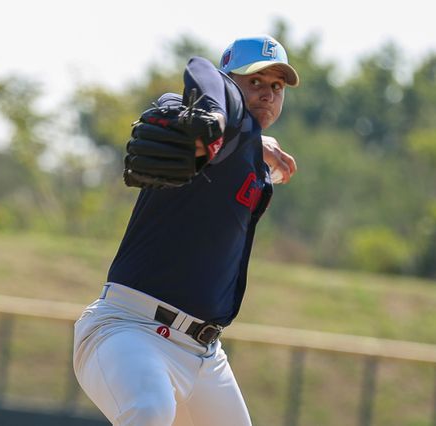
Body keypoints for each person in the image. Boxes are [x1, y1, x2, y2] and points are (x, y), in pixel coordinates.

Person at [72, 35, 299, 426]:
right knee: (149, 410)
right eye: (254, 81)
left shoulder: (245, 147)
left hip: (205, 355)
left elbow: (237, 143)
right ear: (230, 82)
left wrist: (252, 143)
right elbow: (200, 72)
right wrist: (214, 117)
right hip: (132, 330)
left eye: (277, 86)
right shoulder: (213, 119)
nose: (267, 93)